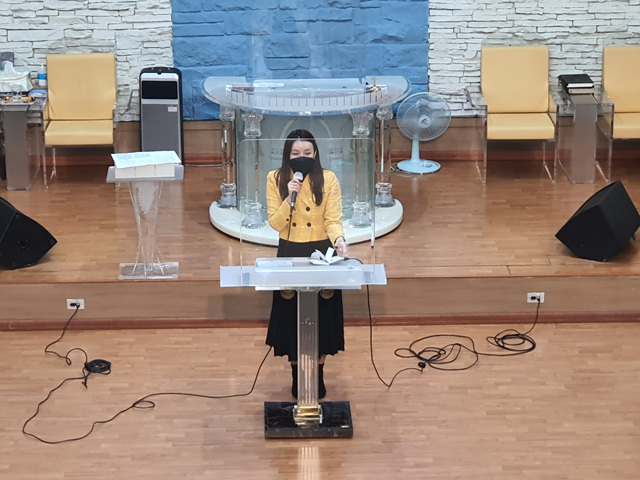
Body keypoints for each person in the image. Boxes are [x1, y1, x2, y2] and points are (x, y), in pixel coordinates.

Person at [265, 129, 348, 399]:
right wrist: (289, 197)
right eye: (296, 153)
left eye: (307, 152)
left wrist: (339, 240)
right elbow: (275, 223)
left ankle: (319, 373)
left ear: (316, 153)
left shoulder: (328, 179)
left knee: (323, 315)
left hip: (321, 252)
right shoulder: (275, 178)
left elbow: (332, 219)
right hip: (290, 249)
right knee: (291, 316)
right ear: (287, 155)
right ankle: (297, 375)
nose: (302, 157)